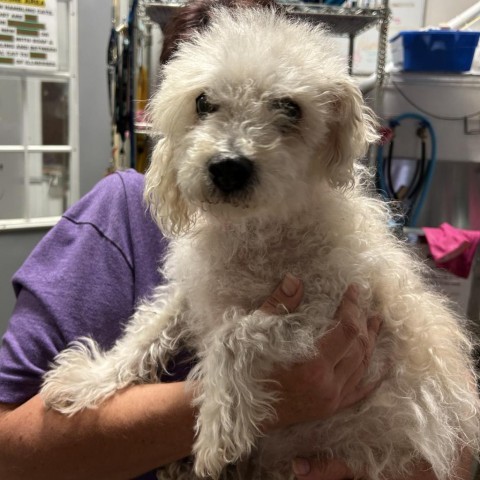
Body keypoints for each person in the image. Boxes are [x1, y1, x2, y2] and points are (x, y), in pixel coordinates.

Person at [0, 1, 474, 479]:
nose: (234, 148)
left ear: (333, 127)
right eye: (208, 105)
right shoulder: (121, 212)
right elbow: (10, 451)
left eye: (285, 111)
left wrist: (236, 356)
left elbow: (454, 450)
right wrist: (125, 371)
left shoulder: (336, 232)